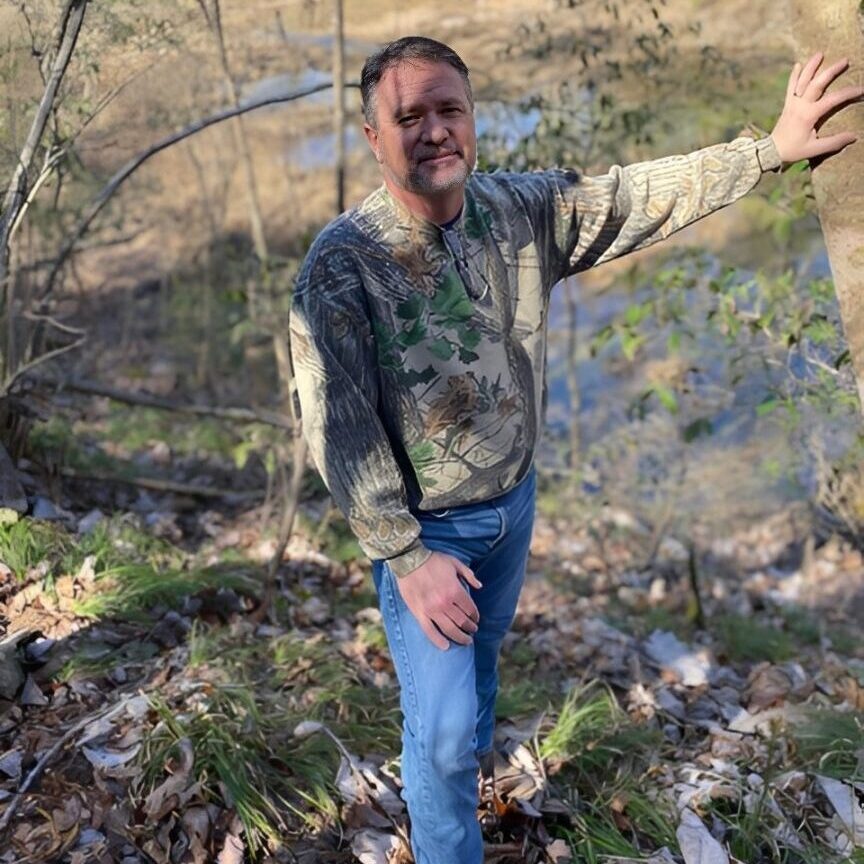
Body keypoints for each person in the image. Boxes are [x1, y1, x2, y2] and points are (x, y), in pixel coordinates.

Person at [289, 36, 861, 864]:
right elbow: (337, 425)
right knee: (442, 735)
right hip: (428, 536)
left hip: (512, 507)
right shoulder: (344, 264)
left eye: (450, 110)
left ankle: (469, 793)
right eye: (409, 116)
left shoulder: (519, 212)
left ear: (472, 121)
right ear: (374, 136)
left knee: (480, 680)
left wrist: (769, 152)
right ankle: (449, 835)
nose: (435, 131)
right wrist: (406, 557)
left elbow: (630, 196)